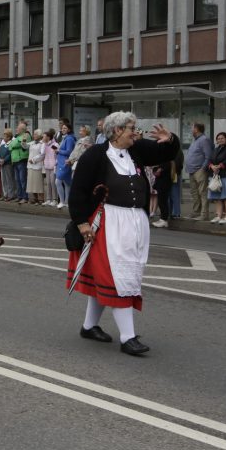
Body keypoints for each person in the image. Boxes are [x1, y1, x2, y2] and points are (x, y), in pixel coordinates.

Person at [68, 111, 178, 356]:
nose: (135, 132)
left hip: (135, 222)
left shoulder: (136, 150)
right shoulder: (95, 155)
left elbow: (166, 152)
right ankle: (128, 337)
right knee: (116, 277)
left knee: (115, 274)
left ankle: (89, 326)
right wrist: (80, 223)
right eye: (131, 128)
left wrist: (169, 139)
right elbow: (78, 190)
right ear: (117, 131)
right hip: (108, 223)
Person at [185, 122, 213, 220]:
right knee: (194, 193)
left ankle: (204, 214)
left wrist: (203, 168)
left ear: (196, 129)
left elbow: (208, 156)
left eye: (192, 128)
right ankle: (196, 212)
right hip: (191, 170)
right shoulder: (195, 140)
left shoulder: (204, 140)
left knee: (202, 192)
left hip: (199, 170)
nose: (191, 130)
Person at [55, 121, 76, 209]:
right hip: (61, 162)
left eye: (65, 128)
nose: (63, 129)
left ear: (69, 129)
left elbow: (69, 151)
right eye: (62, 128)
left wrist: (59, 151)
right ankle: (67, 202)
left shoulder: (70, 139)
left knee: (58, 181)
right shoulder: (66, 137)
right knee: (66, 183)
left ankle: (62, 201)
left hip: (65, 163)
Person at [9, 122, 31, 203]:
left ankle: (25, 197)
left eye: (18, 128)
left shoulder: (26, 135)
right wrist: (14, 144)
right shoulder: (17, 137)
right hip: (15, 160)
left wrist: (14, 144)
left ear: (22, 129)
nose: (16, 129)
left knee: (23, 180)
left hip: (22, 160)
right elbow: (10, 145)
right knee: (17, 180)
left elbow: (20, 144)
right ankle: (19, 196)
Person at [26, 129, 45, 204]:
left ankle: (41, 198)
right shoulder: (32, 143)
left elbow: (42, 154)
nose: (34, 136)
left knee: (38, 183)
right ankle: (35, 198)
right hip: (30, 166)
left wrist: (34, 160)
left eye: (36, 134)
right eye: (34, 134)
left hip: (37, 165)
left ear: (40, 135)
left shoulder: (42, 143)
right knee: (32, 183)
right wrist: (23, 141)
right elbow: (25, 146)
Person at [42, 129, 58, 206]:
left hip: (53, 167)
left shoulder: (54, 145)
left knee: (53, 183)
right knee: (48, 183)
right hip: (47, 166)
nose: (43, 138)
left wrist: (55, 165)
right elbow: (42, 154)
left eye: (44, 136)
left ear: (48, 137)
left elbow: (57, 155)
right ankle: (48, 199)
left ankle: (55, 200)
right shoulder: (45, 145)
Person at [0, 129, 15, 201]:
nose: (3, 138)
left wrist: (4, 160)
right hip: (2, 164)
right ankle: (5, 194)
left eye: (5, 136)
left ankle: (11, 194)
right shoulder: (2, 145)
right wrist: (0, 159)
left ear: (9, 137)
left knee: (9, 179)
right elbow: (0, 153)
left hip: (8, 164)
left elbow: (10, 154)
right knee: (4, 179)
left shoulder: (11, 144)